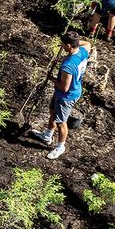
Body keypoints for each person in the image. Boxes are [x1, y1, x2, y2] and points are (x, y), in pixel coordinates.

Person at [29, 32, 91, 160]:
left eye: (63, 45)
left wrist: (51, 78)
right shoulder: (83, 51)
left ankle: (60, 147)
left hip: (66, 96)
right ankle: (47, 135)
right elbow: (88, 43)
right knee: (52, 111)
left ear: (69, 45)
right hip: (70, 90)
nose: (62, 47)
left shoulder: (68, 66)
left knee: (61, 122)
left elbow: (64, 87)